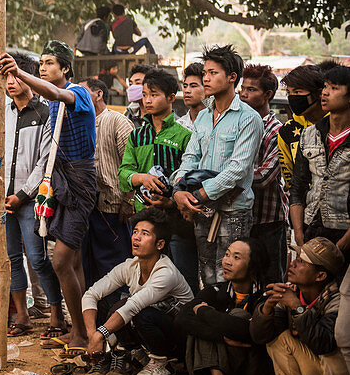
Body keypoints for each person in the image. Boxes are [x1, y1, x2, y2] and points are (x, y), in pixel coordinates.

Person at [0, 40, 97, 357]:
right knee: (75, 262)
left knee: (59, 261)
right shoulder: (47, 100)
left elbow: (56, 94)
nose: (43, 68)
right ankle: (80, 329)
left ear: (66, 68)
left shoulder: (77, 92)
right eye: (40, 63)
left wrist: (20, 74)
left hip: (79, 179)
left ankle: (79, 333)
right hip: (60, 179)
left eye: (50, 63)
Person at [173, 45, 262, 287]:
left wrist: (199, 195)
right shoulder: (202, 116)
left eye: (213, 73)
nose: (206, 78)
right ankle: (211, 318)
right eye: (205, 73)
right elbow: (190, 157)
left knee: (231, 275)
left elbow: (238, 169)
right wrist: (179, 189)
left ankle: (231, 322)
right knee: (207, 272)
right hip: (202, 209)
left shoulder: (248, 118)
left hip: (233, 210)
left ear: (232, 77)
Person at [79, 208, 193, 375]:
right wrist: (92, 334)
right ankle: (133, 355)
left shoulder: (166, 272)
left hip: (180, 340)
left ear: (159, 244)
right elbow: (90, 294)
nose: (136, 238)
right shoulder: (130, 266)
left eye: (145, 234)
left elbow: (133, 306)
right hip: (150, 327)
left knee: (138, 312)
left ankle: (162, 362)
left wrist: (100, 335)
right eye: (135, 232)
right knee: (107, 301)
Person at [0, 53, 65, 337]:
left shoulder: (44, 112)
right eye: (6, 78)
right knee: (11, 257)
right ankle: (22, 316)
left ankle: (56, 316)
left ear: (28, 78)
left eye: (16, 76)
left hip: (30, 199)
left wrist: (23, 194)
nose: (10, 83)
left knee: (37, 258)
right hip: (2, 199)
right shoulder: (2, 114)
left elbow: (45, 160)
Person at [251, 237, 350, 375]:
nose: (293, 263)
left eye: (302, 261)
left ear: (320, 276)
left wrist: (297, 306)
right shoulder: (292, 291)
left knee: (333, 349)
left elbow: (324, 343)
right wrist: (267, 309)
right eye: (297, 257)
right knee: (278, 339)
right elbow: (260, 337)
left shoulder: (338, 299)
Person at [118, 68, 199, 293]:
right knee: (144, 281)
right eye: (145, 95)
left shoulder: (185, 136)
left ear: (171, 98)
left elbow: (191, 180)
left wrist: (171, 201)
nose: (148, 100)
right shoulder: (136, 135)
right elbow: (123, 174)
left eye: (154, 94)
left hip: (176, 219)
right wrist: (141, 177)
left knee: (183, 278)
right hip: (144, 218)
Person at [175, 238, 275, 375]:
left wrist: (206, 313)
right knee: (205, 326)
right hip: (223, 372)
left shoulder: (266, 295)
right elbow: (182, 318)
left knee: (236, 316)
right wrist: (220, 337)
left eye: (237, 257)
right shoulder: (216, 290)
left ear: (252, 266)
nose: (227, 261)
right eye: (227, 254)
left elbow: (248, 332)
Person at [79, 77, 135, 286]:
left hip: (112, 205)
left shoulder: (117, 121)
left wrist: (128, 201)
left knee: (114, 265)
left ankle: (115, 314)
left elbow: (131, 164)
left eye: (83, 92)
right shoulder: (80, 121)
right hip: (86, 207)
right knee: (89, 264)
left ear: (99, 93)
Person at [239, 63, 288, 285]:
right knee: (243, 278)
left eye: (251, 89)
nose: (243, 94)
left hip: (268, 218)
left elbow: (265, 176)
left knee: (270, 280)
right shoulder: (239, 123)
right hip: (241, 216)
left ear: (267, 94)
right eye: (243, 88)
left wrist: (228, 175)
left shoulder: (278, 131)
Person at [290, 65, 350, 248]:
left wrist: (341, 245)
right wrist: (298, 233)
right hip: (311, 227)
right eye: (325, 87)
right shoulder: (309, 134)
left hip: (343, 229)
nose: (325, 93)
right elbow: (297, 187)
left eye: (334, 88)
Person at [279, 64, 327, 197]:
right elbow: (290, 179)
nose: (292, 97)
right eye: (289, 92)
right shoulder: (287, 130)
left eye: (298, 92)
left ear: (318, 93)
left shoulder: (335, 125)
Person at [177, 61, 207, 130]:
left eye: (193, 86)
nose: (187, 91)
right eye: (185, 86)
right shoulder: (179, 126)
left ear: (206, 89)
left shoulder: (216, 124)